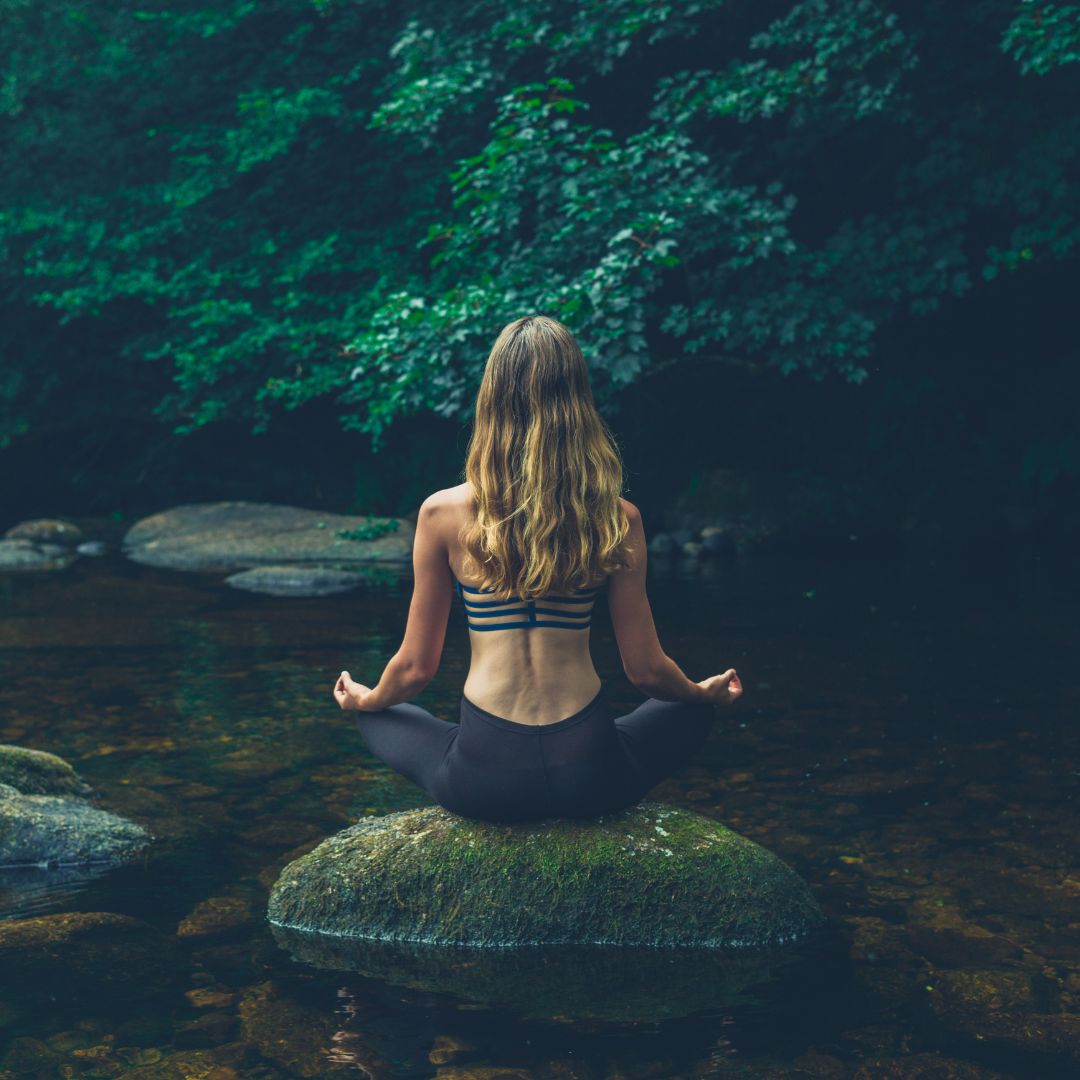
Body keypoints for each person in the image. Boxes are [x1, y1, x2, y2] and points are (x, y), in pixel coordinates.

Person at [332, 314, 743, 824]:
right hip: (590, 775)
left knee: (382, 714)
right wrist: (699, 692)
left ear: (491, 400)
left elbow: (416, 670)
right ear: (577, 404)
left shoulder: (440, 514)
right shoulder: (617, 518)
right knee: (692, 708)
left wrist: (367, 701)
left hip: (483, 780)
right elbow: (647, 672)